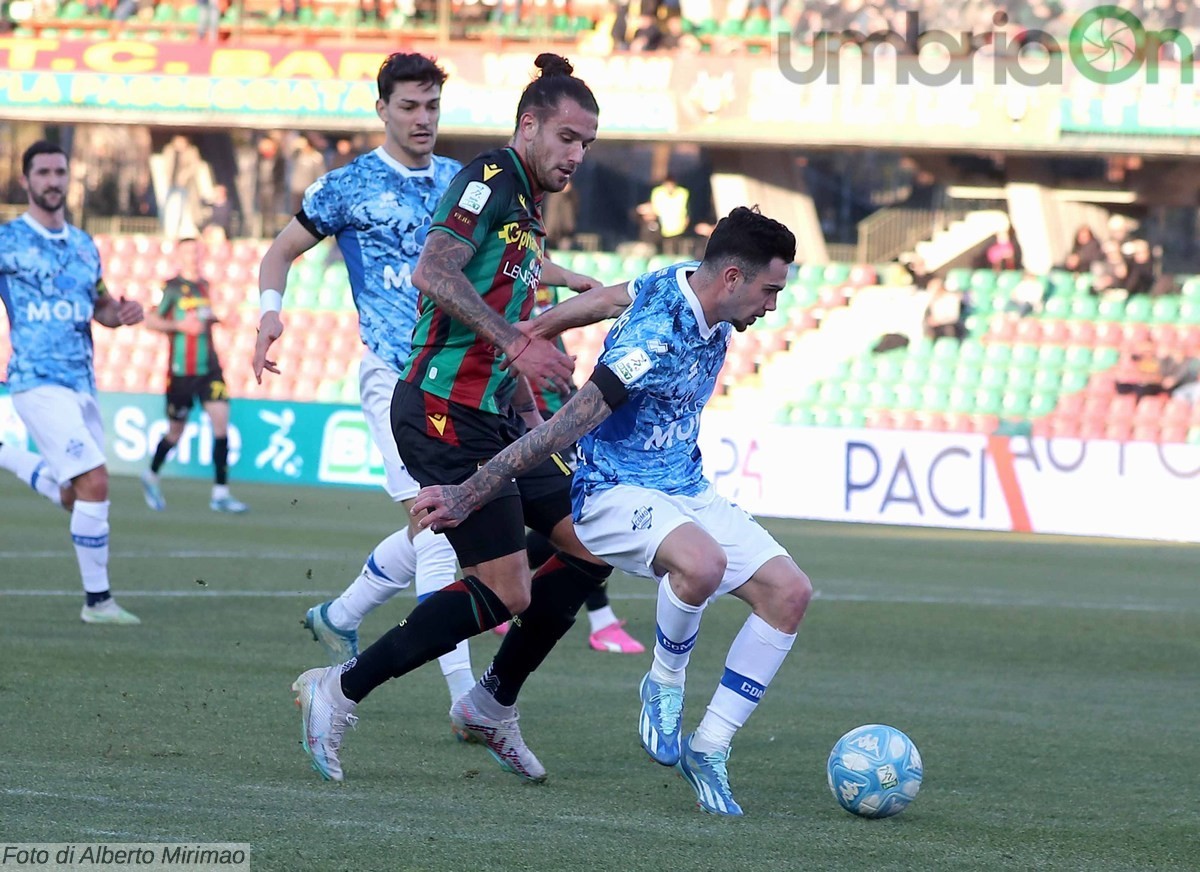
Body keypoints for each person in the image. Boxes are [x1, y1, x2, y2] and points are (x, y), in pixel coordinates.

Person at [413, 206, 813, 816]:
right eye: (770, 290)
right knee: (700, 566)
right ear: (732, 278)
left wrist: (535, 330)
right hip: (611, 492)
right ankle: (664, 683)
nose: (773, 306)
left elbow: (606, 299)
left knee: (790, 593)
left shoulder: (686, 279)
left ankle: (709, 748)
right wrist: (472, 489)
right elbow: (560, 432)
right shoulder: (653, 342)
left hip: (684, 486)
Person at [290, 53, 614, 785]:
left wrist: (533, 413)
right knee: (506, 589)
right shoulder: (490, 178)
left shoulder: (528, 211)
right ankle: (337, 689)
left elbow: (506, 325)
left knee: (591, 545)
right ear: (528, 126)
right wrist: (521, 343)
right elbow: (430, 273)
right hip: (441, 409)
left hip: (494, 416)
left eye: (587, 144)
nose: (576, 155)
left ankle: (491, 703)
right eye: (567, 137)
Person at [253, 53, 476, 705]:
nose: (422, 118)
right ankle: (466, 696)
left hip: (457, 378)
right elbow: (279, 251)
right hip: (392, 374)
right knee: (439, 520)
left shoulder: (463, 185)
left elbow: (500, 265)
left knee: (452, 516)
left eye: (432, 106)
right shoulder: (346, 187)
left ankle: (341, 616)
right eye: (409, 106)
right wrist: (270, 317)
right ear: (382, 110)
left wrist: (568, 286)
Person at [0, 140, 144, 625]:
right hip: (34, 379)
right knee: (96, 481)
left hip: (82, 382)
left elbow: (101, 307)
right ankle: (97, 602)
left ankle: (4, 454)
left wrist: (119, 314)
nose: (52, 181)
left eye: (59, 172)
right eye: (42, 172)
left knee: (76, 493)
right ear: (26, 181)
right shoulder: (8, 240)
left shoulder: (85, 245)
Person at [520, 282, 644, 654]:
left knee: (576, 515)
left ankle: (504, 576)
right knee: (583, 515)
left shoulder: (531, 256)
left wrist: (569, 278)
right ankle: (601, 621)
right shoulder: (508, 262)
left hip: (560, 402)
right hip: (532, 411)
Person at [139, 238, 247, 514]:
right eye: (188, 252)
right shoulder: (171, 288)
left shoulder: (205, 286)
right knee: (176, 432)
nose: (194, 257)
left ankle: (220, 493)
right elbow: (150, 320)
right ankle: (151, 475)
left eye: (197, 251)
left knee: (221, 425)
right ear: (179, 255)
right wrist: (178, 324)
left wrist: (222, 320)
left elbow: (205, 317)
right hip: (181, 371)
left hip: (210, 368)